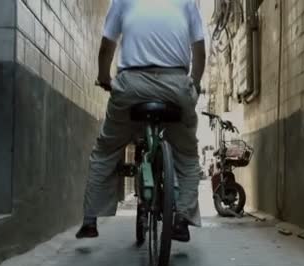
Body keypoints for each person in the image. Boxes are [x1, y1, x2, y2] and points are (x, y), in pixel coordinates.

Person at [75, 0, 206, 242]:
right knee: (187, 156)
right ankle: (182, 219)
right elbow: (199, 50)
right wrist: (194, 85)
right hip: (175, 86)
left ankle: (90, 219)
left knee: (106, 150)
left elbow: (107, 46)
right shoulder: (187, 2)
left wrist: (104, 77)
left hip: (131, 85)